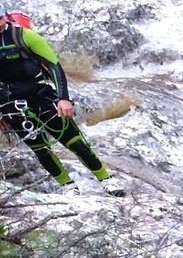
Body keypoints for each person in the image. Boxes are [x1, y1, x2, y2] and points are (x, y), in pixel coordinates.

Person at [0, 12, 111, 188]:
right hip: (9, 102)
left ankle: (106, 180)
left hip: (41, 93)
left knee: (73, 140)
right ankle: (67, 186)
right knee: (39, 148)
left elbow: (53, 66)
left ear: (5, 18)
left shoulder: (24, 36)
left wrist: (63, 99)